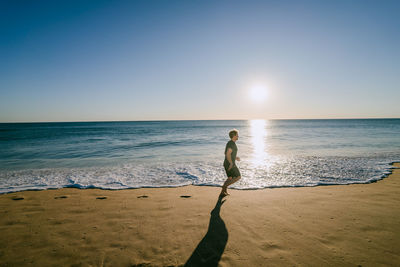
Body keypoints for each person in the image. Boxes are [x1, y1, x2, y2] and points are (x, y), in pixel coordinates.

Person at [221, 129, 241, 196]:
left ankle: (223, 192)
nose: (238, 136)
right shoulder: (231, 143)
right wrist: (231, 163)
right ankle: (224, 187)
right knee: (238, 176)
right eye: (237, 135)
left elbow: (226, 153)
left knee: (230, 178)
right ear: (234, 136)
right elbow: (227, 154)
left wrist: (235, 157)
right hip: (230, 164)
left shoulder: (230, 143)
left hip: (227, 163)